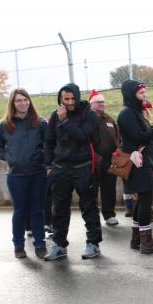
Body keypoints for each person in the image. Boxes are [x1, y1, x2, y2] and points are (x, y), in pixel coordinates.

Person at [43, 83, 102, 261]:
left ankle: (93, 243)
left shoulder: (88, 114)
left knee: (89, 206)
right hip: (60, 169)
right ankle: (59, 244)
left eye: (71, 99)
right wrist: (48, 166)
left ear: (77, 97)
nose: (69, 102)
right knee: (59, 209)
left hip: (83, 167)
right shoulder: (56, 115)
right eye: (65, 99)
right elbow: (48, 141)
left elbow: (83, 136)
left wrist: (65, 121)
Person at [0, 88, 49, 259]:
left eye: (25, 99)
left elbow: (50, 144)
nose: (23, 103)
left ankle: (40, 245)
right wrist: (8, 158)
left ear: (29, 101)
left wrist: (45, 161)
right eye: (18, 100)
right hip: (16, 176)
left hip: (39, 174)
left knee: (37, 210)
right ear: (12, 103)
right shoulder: (4, 125)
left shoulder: (40, 122)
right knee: (20, 211)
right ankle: (18, 245)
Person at [116, 80, 153, 255]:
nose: (144, 96)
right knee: (145, 200)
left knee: (142, 200)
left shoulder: (133, 112)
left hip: (141, 161)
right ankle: (146, 243)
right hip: (138, 163)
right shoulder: (127, 113)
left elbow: (141, 134)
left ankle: (137, 239)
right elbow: (139, 137)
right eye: (141, 93)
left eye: (145, 93)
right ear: (131, 95)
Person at [87, 89, 121, 226]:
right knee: (92, 190)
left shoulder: (109, 119)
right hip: (92, 160)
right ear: (92, 104)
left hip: (109, 160)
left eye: (103, 102)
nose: (101, 104)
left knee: (109, 188)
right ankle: (92, 217)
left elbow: (118, 136)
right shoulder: (87, 118)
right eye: (98, 102)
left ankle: (109, 214)